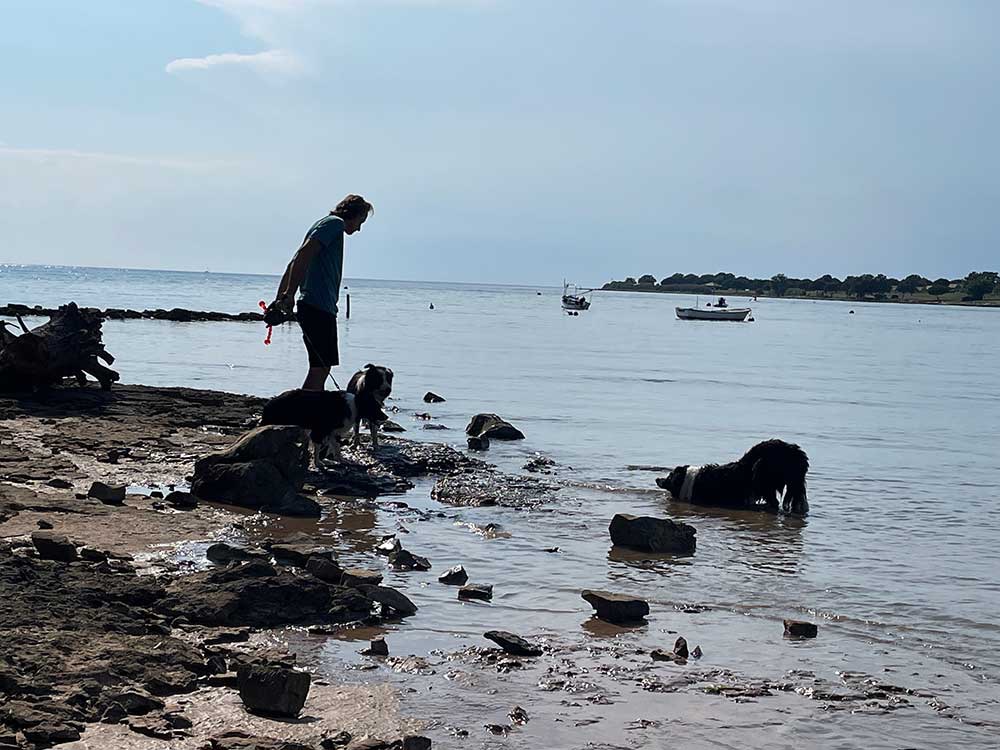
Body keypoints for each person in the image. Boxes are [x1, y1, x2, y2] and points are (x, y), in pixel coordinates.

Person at [266, 194, 373, 390]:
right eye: (361, 221)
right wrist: (288, 294)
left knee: (320, 367)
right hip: (318, 306)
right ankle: (308, 416)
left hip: (315, 306)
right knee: (320, 368)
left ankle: (308, 414)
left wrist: (280, 297)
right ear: (353, 214)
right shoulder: (334, 224)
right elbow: (303, 255)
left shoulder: (324, 224)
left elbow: (294, 261)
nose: (359, 228)